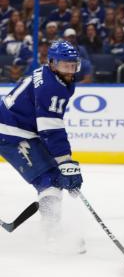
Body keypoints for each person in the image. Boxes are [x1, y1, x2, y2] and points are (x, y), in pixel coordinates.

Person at [0, 40, 84, 251]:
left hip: (18, 126)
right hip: (10, 132)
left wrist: (64, 164)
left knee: (55, 176)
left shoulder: (50, 75)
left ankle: (51, 225)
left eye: (73, 65)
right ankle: (51, 231)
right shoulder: (52, 87)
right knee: (49, 181)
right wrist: (66, 163)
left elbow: (46, 127)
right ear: (53, 64)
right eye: (65, 66)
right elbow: (51, 129)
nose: (70, 70)